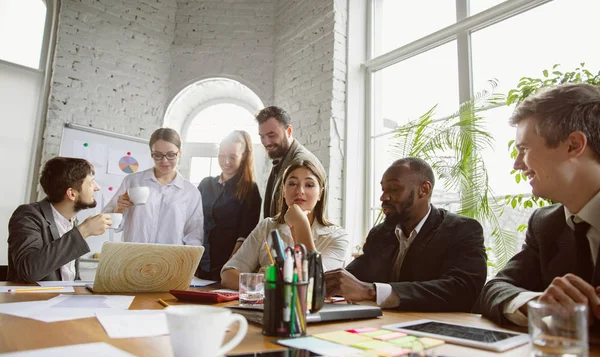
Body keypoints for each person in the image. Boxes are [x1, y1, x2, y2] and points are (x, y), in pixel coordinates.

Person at [477, 83, 600, 326]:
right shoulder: (545, 224)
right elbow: (494, 289)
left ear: (573, 145)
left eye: (523, 149)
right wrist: (538, 304)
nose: (517, 165)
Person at [325, 157, 487, 312]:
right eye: (383, 189)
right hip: (385, 326)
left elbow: (464, 289)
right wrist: (326, 284)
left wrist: (371, 291)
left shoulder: (462, 230)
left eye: (394, 189)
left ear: (424, 189)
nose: (383, 197)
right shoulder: (380, 234)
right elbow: (353, 276)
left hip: (438, 329)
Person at [220, 159, 349, 289]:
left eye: (309, 185)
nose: (300, 191)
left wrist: (301, 224)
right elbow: (227, 275)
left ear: (320, 193)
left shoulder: (337, 236)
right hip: (269, 306)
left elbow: (317, 283)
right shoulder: (267, 226)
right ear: (283, 191)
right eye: (292, 184)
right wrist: (259, 281)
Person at [7, 157, 112, 282]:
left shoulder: (72, 220)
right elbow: (29, 271)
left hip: (66, 297)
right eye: (91, 183)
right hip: (35, 300)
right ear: (71, 194)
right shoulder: (28, 215)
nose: (97, 187)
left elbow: (69, 276)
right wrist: (84, 231)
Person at [103, 128, 203, 245]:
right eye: (157, 155)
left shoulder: (190, 192)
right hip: (134, 257)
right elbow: (112, 225)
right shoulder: (133, 181)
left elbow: (194, 237)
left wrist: (186, 262)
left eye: (171, 155)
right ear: (151, 153)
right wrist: (119, 209)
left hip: (170, 260)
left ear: (180, 152)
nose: (164, 161)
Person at [197, 130, 262, 280]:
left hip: (228, 268)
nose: (226, 162)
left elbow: (244, 236)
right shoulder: (205, 184)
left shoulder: (250, 189)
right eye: (222, 156)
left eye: (232, 157)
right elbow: (192, 222)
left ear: (243, 156)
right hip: (200, 264)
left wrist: (228, 268)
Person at [256, 106, 325, 218]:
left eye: (271, 135)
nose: (266, 142)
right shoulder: (281, 159)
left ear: (288, 131)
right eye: (262, 137)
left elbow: (302, 219)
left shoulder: (301, 163)